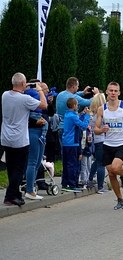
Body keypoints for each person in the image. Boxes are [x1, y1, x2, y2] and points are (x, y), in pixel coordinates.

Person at [94, 82, 123, 210]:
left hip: (122, 143)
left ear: (119, 93)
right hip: (107, 144)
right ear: (107, 92)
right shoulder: (102, 109)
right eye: (111, 91)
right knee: (111, 173)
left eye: (116, 91)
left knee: (115, 168)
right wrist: (102, 129)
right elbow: (96, 129)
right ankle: (120, 199)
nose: (113, 93)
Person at [2, 73, 47, 206]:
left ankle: (15, 194)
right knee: (19, 169)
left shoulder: (5, 95)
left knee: (11, 167)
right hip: (19, 138)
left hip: (6, 137)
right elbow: (43, 105)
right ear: (23, 84)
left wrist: (23, 85)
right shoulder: (24, 99)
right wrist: (39, 89)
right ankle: (10, 195)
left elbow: (16, 90)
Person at [56, 77, 99, 149]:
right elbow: (88, 102)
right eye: (77, 86)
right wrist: (96, 95)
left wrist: (83, 93)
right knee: (74, 152)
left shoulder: (60, 95)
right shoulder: (73, 98)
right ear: (73, 86)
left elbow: (72, 95)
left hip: (61, 126)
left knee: (64, 152)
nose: (78, 88)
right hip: (72, 129)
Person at [61, 98, 91, 192]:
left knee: (66, 163)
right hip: (72, 143)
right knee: (72, 164)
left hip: (66, 142)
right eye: (77, 105)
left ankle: (65, 183)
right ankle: (72, 184)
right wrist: (87, 116)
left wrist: (82, 115)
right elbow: (83, 126)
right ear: (74, 106)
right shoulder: (72, 116)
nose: (78, 106)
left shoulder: (68, 115)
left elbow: (77, 122)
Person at [87, 93, 107, 193]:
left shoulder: (94, 115)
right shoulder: (102, 114)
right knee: (101, 164)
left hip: (96, 140)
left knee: (97, 161)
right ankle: (100, 187)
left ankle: (90, 179)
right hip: (102, 140)